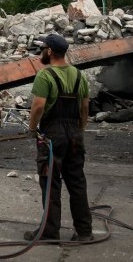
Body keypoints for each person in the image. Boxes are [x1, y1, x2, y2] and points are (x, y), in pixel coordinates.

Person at [24, 32, 94, 242]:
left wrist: (32, 128)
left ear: (50, 51)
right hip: (74, 133)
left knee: (50, 182)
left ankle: (50, 231)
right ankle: (84, 232)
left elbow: (38, 106)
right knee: (77, 182)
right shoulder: (80, 76)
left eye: (43, 48)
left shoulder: (45, 75)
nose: (41, 52)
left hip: (52, 134)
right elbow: (84, 107)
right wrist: (79, 130)